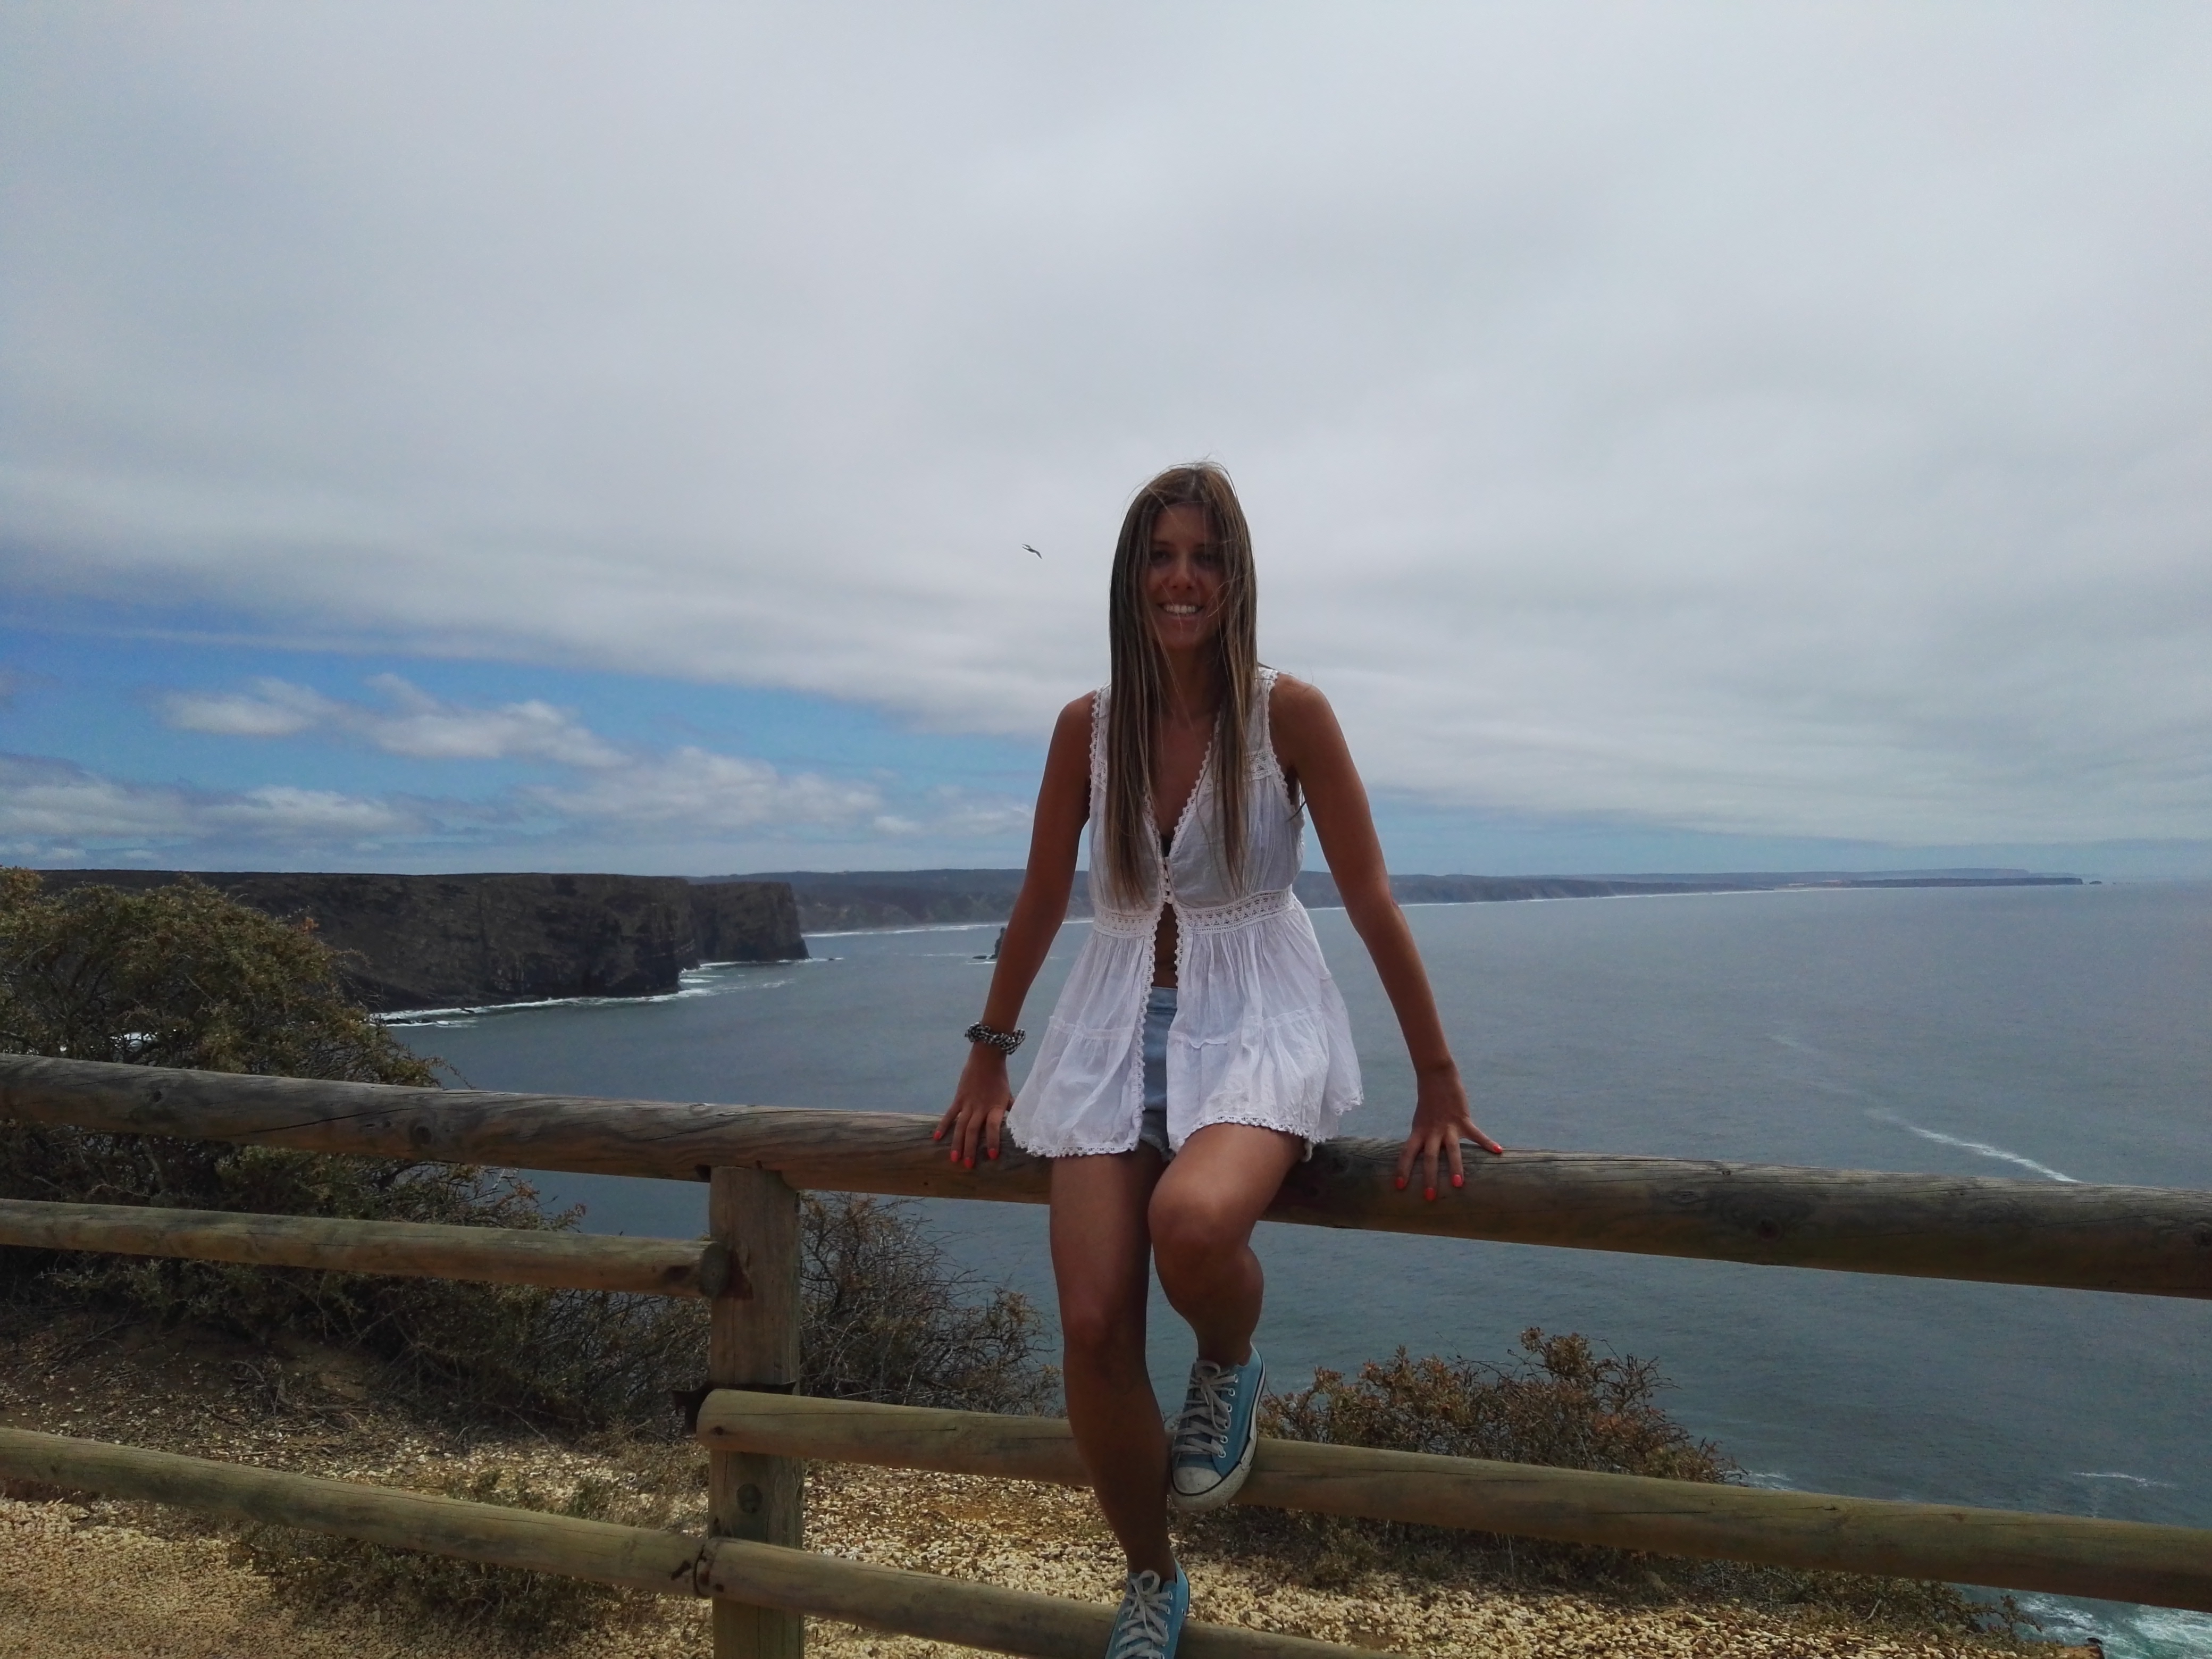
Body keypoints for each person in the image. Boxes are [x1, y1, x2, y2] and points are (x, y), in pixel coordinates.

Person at [937, 462, 1501, 1659]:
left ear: (1236, 578)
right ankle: (1151, 1579)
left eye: (1205, 557)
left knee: (1192, 1227)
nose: (1181, 579)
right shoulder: (1085, 729)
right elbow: (1044, 893)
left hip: (1258, 1023)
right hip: (1106, 1030)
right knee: (1091, 1324)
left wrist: (1438, 1079)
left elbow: (1372, 894)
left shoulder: (1285, 714)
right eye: (1160, 556)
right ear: (1131, 577)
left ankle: (1231, 1363)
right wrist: (990, 1053)